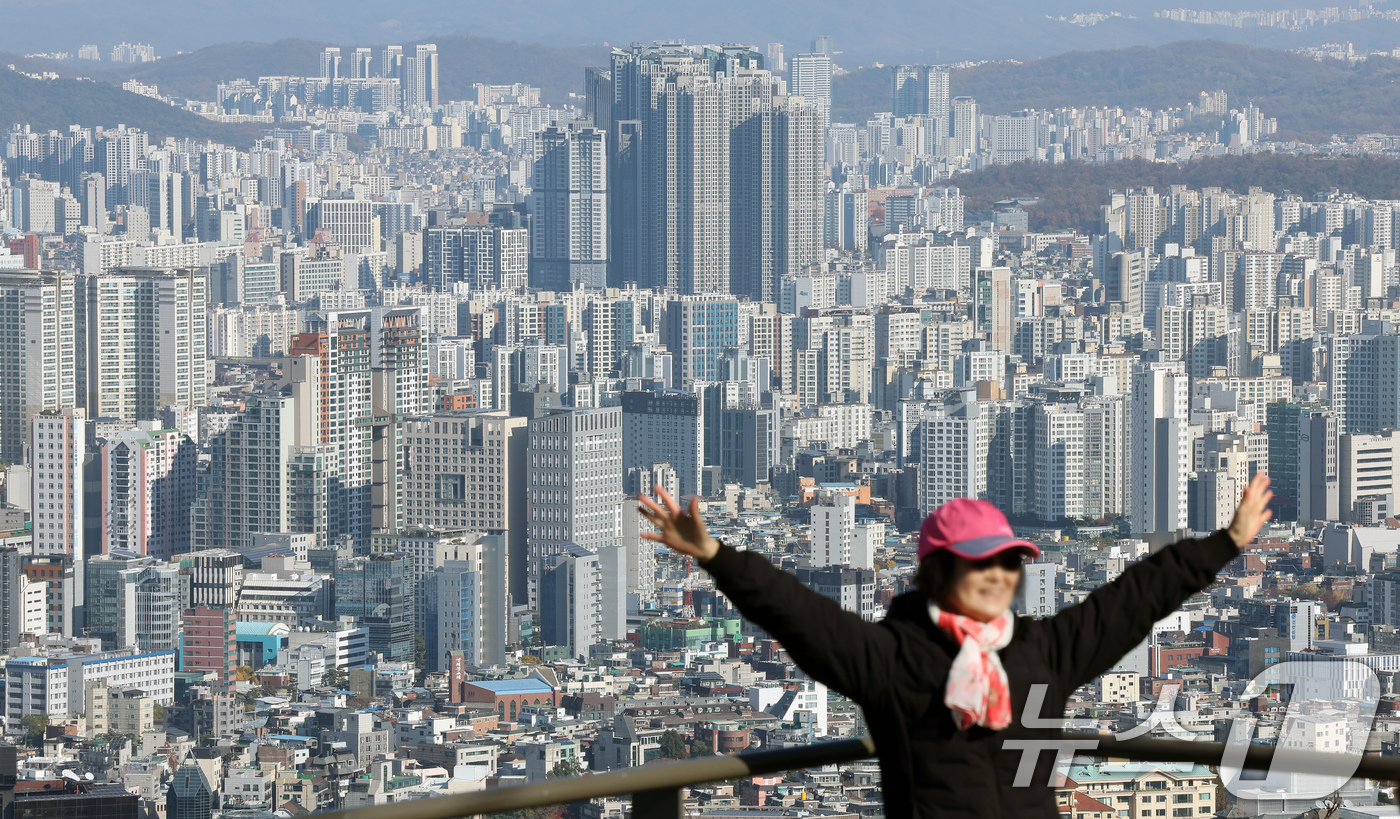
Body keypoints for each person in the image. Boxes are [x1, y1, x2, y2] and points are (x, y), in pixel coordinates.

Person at [637, 474, 1273, 818]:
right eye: (980, 564)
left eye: (1008, 563)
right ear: (939, 573)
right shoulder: (892, 658)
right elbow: (804, 618)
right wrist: (718, 557)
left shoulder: (1040, 650)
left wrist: (1225, 543)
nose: (999, 576)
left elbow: (1135, 599)